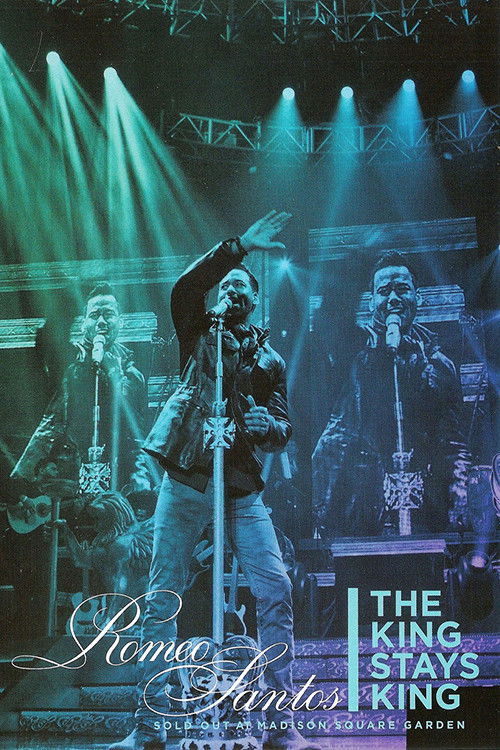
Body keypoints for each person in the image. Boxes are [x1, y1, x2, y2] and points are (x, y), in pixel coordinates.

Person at [110, 212, 320, 750]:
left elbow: (285, 425)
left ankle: (279, 725)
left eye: (240, 286)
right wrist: (238, 248)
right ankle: (150, 725)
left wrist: (268, 426)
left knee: (275, 588)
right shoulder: (198, 332)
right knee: (162, 595)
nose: (230, 289)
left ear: (254, 300)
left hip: (241, 489)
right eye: (224, 284)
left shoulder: (269, 360)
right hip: (186, 480)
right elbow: (186, 287)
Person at [313, 250, 469, 537]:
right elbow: (337, 438)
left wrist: (459, 496)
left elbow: (452, 443)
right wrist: (325, 511)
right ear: (372, 301)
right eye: (384, 291)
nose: (393, 298)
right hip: (361, 506)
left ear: (418, 297)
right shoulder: (352, 351)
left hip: (424, 506)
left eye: (402, 289)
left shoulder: (439, 364)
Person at [10, 281, 151, 501]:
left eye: (108, 314)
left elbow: (135, 431)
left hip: (114, 477)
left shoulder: (132, 374)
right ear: (84, 323)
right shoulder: (69, 358)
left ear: (120, 321)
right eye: (94, 315)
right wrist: (68, 300)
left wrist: (140, 477)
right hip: (62, 474)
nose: (102, 321)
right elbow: (46, 343)